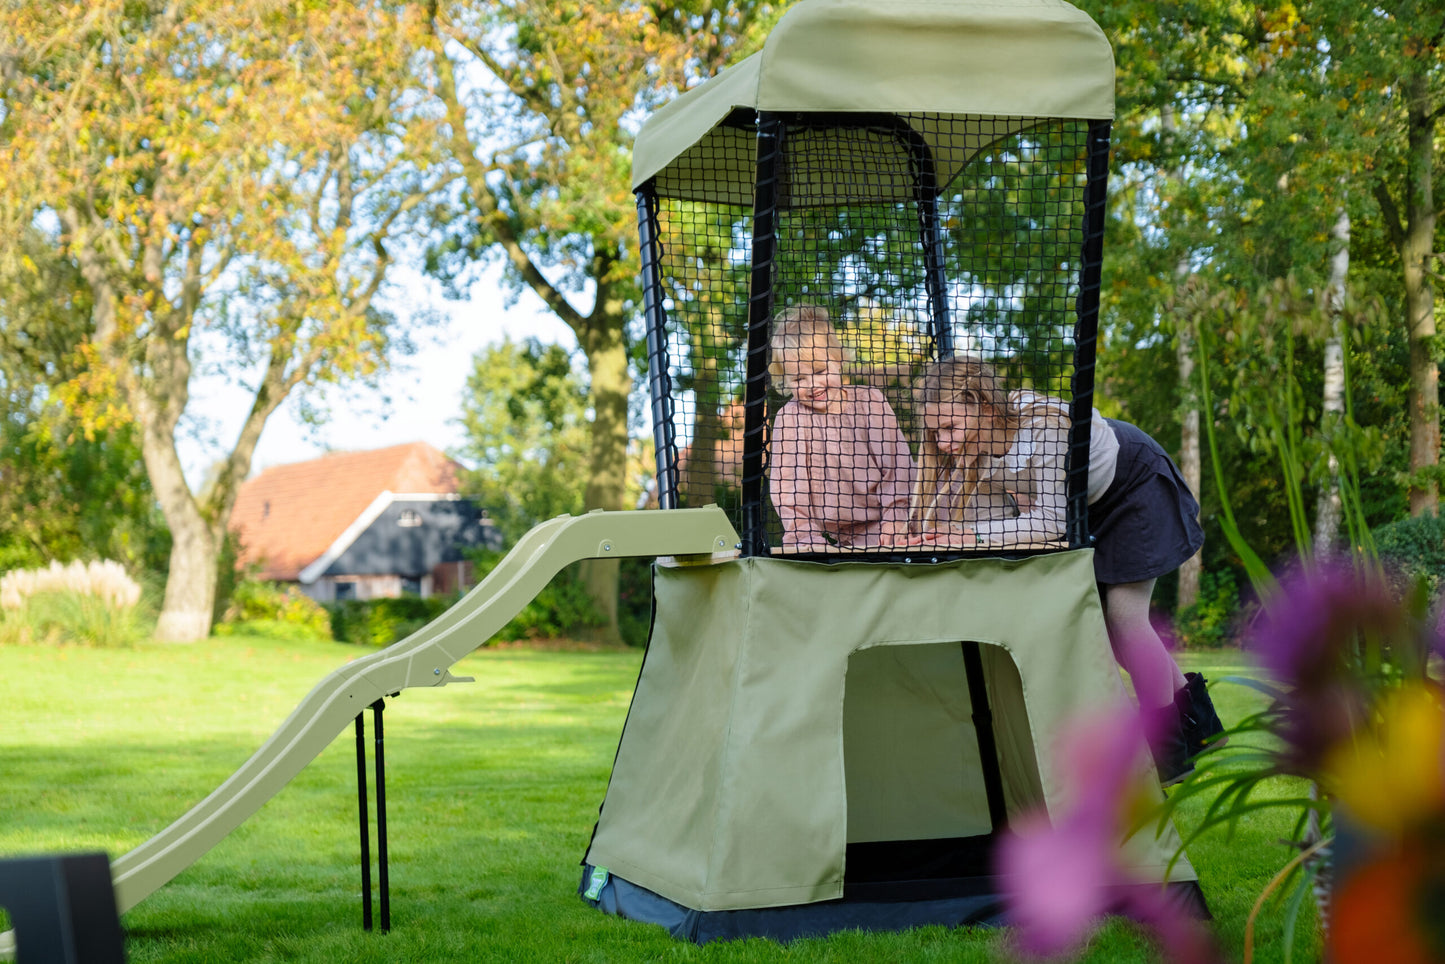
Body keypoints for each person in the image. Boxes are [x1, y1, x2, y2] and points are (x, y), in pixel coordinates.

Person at [909, 354, 1223, 785]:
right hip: (1090, 510)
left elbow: (1049, 523)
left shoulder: (1043, 427)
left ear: (981, 405)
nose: (943, 441)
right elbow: (985, 523)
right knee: (1114, 634)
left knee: (1124, 618)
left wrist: (969, 536)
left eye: (950, 427)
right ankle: (1205, 730)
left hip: (1135, 485)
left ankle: (1167, 755)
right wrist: (932, 530)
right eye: (935, 432)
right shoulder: (979, 454)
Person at [767, 306, 915, 550]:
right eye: (798, 379)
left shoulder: (871, 402)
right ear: (786, 381)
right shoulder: (791, 418)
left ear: (838, 361)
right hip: (833, 537)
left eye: (819, 371)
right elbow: (789, 488)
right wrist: (806, 539)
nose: (812, 385)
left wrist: (895, 519)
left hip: (888, 526)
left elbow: (897, 467)